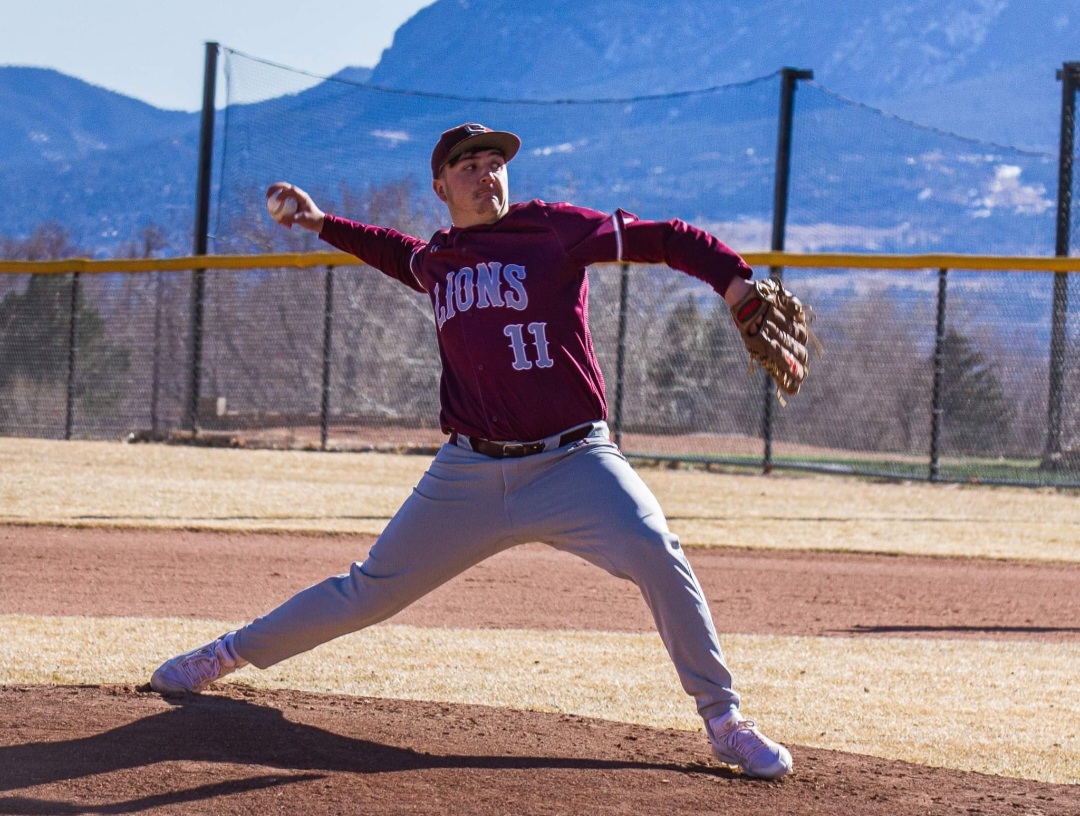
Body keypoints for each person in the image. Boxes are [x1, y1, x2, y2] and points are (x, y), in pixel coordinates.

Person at [150, 122, 794, 780]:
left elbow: (667, 238)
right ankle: (224, 655)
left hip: (574, 462)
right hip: (470, 472)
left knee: (657, 551)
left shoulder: (552, 229)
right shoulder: (439, 259)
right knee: (366, 592)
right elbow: (390, 250)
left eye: (495, 163)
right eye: (469, 167)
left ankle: (726, 721)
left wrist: (736, 283)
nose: (487, 174)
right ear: (441, 188)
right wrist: (319, 223)